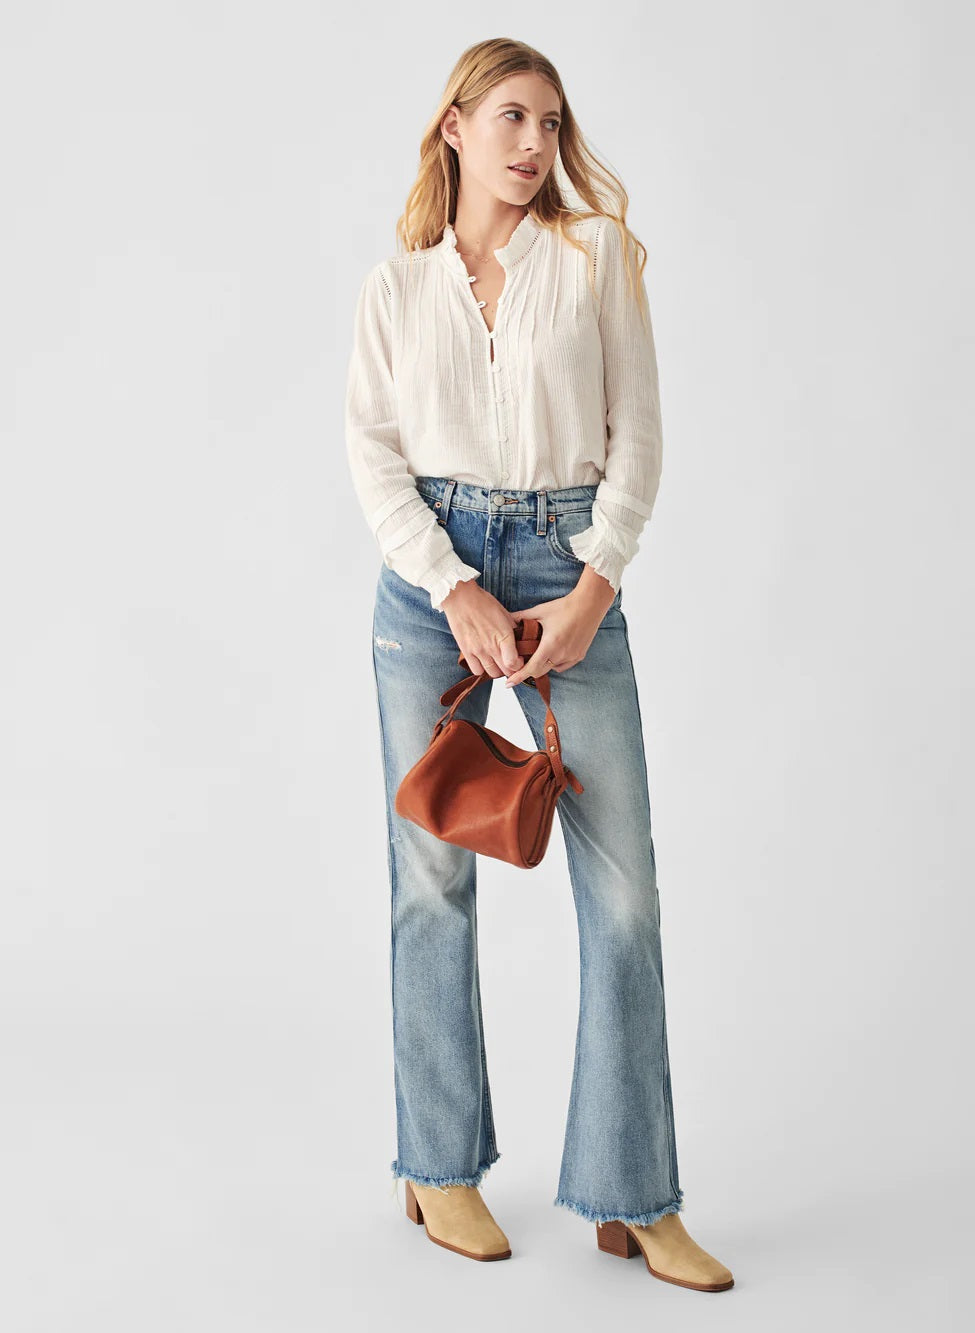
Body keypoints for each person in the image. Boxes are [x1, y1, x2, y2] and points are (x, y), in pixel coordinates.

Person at [344, 37, 734, 1292]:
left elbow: (640, 434)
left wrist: (594, 586)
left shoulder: (594, 257)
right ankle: (437, 1167)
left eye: (552, 122)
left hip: (571, 568)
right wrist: (450, 583)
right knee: (429, 882)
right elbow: (373, 456)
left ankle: (634, 1194)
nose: (534, 143)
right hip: (430, 585)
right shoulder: (396, 289)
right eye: (512, 115)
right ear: (454, 126)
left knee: (625, 896)